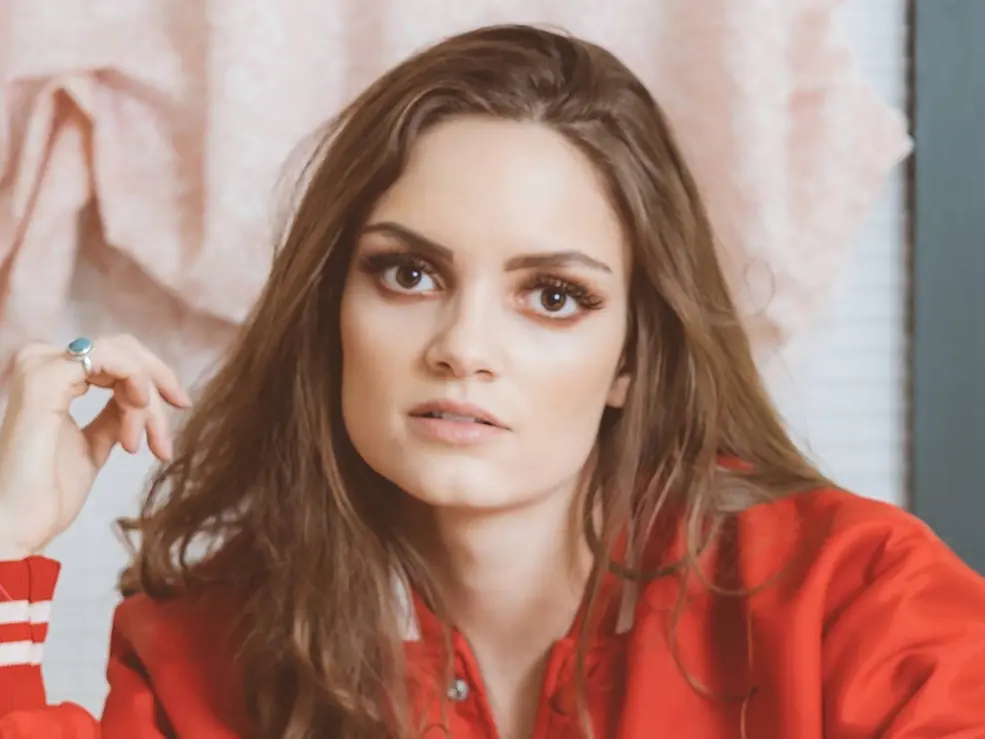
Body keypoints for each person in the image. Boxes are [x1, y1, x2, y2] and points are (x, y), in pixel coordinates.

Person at [0, 23, 982, 739]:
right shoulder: (201, 645)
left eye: (552, 295)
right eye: (408, 273)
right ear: (332, 308)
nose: (462, 346)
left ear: (631, 357)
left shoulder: (857, 601)